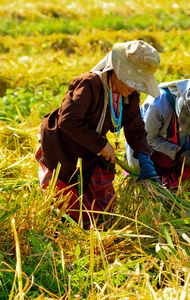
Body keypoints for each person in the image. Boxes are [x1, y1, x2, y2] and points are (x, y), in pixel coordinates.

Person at [35, 40, 161, 228]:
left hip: (88, 146)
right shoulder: (89, 83)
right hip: (61, 143)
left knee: (103, 206)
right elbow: (68, 120)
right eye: (132, 81)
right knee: (64, 200)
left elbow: (135, 127)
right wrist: (102, 145)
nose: (134, 88)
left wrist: (144, 158)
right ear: (118, 72)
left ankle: (96, 226)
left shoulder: (129, 94)